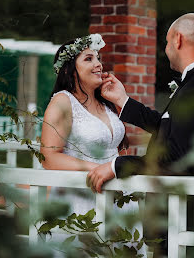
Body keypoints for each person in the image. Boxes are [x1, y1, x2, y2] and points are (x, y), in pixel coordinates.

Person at [87, 12, 194, 191]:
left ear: (178, 39)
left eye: (167, 42)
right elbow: (169, 128)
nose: (166, 49)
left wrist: (118, 165)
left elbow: (177, 158)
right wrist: (122, 100)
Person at [40, 34, 145, 256]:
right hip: (82, 197)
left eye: (98, 58)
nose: (98, 64)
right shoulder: (62, 102)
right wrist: (98, 169)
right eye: (89, 59)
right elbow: (49, 157)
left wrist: (119, 99)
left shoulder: (105, 102)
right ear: (70, 70)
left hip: (117, 193)